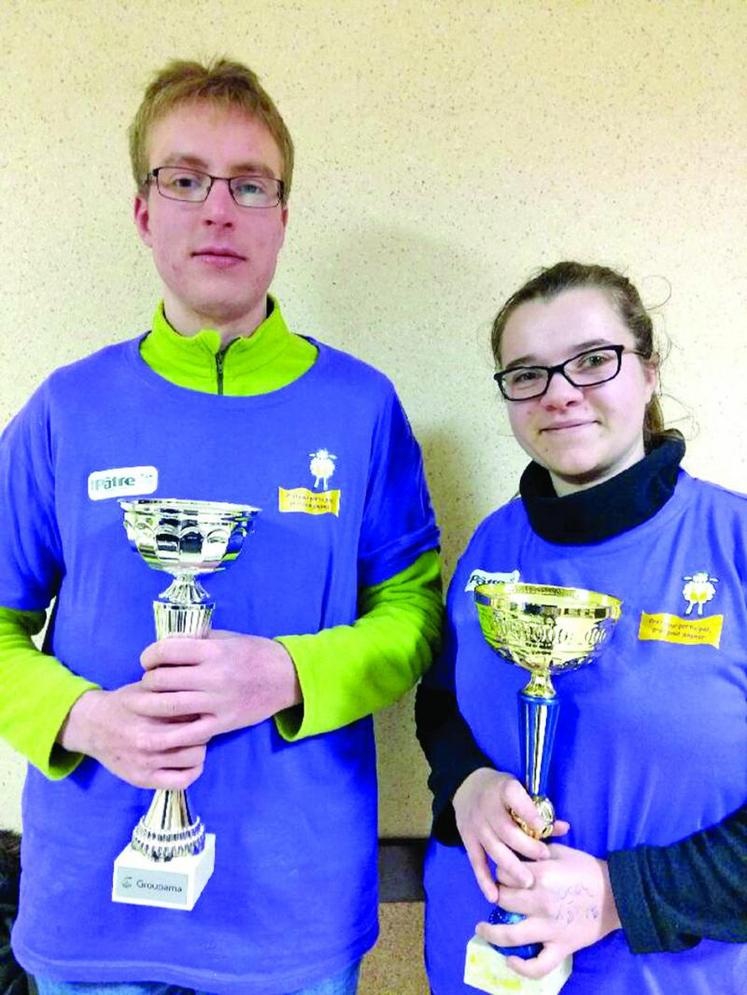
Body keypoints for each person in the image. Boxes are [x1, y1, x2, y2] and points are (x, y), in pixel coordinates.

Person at [0, 58, 442, 995]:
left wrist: (287, 673)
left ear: (283, 215)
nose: (218, 209)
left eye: (251, 184)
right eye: (184, 178)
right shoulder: (64, 409)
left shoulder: (359, 407)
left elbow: (412, 612)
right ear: (143, 211)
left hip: (292, 909)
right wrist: (82, 717)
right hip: (93, 909)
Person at [416, 261, 746, 994]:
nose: (560, 392)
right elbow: (441, 704)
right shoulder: (489, 549)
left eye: (593, 360)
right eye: (526, 373)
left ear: (648, 370)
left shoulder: (735, 543)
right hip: (477, 966)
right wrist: (463, 782)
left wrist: (618, 894)